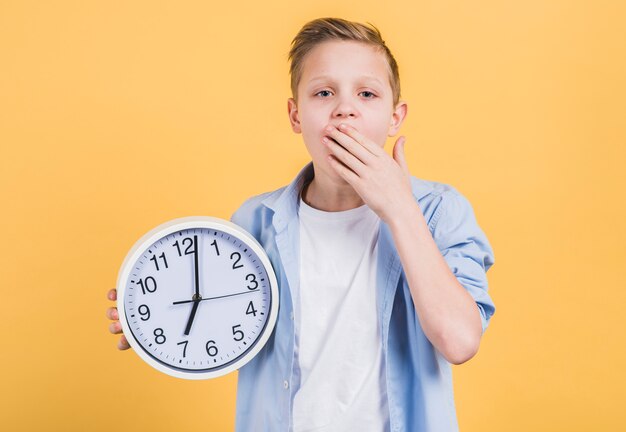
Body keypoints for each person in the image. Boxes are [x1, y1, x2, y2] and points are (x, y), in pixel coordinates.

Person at [106, 17, 496, 432]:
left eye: (366, 93)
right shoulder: (255, 222)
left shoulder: (438, 211)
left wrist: (401, 209)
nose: (345, 107)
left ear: (395, 117)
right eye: (323, 92)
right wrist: (157, 325)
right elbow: (224, 320)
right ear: (296, 115)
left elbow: (459, 342)